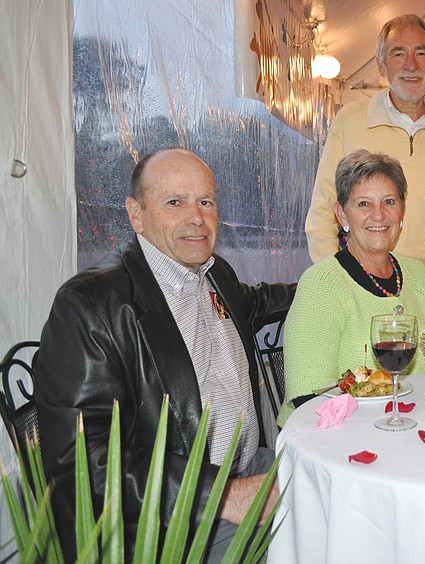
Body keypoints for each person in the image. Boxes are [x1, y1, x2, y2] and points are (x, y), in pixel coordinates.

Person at [35, 148, 296, 560]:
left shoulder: (215, 273)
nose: (197, 218)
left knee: (349, 494)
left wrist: (337, 277)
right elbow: (81, 460)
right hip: (176, 523)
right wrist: (221, 495)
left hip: (249, 467)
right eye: (175, 202)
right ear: (136, 213)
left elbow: (261, 301)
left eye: (205, 202)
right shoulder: (92, 304)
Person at [304, 14, 425, 303]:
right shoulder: (351, 121)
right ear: (381, 65)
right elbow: (323, 209)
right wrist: (337, 276)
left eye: (421, 53)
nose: (411, 65)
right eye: (398, 53)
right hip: (374, 285)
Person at [280, 150, 425, 425]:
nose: (379, 215)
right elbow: (308, 395)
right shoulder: (322, 283)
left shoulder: (420, 275)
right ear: (342, 213)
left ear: (402, 210)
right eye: (364, 204)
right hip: (333, 438)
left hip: (413, 427)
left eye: (389, 201)